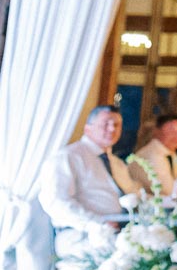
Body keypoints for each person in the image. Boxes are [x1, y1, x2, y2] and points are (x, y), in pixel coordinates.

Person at [39, 106, 138, 258]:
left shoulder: (117, 163)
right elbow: (56, 201)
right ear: (88, 129)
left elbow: (135, 195)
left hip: (120, 232)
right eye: (105, 123)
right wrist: (96, 224)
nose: (112, 129)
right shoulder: (68, 157)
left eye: (117, 125)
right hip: (80, 234)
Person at [129, 113, 177, 195]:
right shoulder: (152, 155)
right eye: (172, 130)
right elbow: (171, 192)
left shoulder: (172, 155)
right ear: (157, 131)